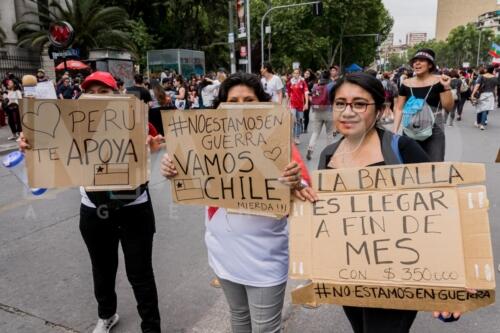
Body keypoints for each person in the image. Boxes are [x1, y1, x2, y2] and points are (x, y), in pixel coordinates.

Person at [161, 72, 316, 333]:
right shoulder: (204, 144)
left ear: (262, 105)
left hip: (264, 258)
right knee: (239, 317)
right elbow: (188, 177)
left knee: (266, 328)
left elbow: (307, 192)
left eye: (248, 99)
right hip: (223, 253)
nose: (240, 106)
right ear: (221, 106)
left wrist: (295, 182)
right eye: (232, 101)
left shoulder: (279, 144)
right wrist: (171, 168)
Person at [319, 71, 468, 333]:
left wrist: (453, 278)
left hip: (397, 277)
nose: (348, 111)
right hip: (349, 275)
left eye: (359, 104)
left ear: (379, 110)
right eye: (340, 103)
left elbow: (442, 211)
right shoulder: (327, 154)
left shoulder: (403, 149)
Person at [19, 71, 162, 333]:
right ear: (82, 97)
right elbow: (47, 149)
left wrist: (154, 145)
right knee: (102, 269)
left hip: (134, 209)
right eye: (91, 93)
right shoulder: (72, 125)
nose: (97, 98)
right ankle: (106, 314)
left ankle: (151, 327)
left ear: (116, 94)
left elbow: (157, 143)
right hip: (94, 211)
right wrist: (29, 144)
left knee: (140, 274)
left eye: (103, 92)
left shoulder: (136, 118)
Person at [393, 49, 454, 162]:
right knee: (410, 165)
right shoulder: (406, 83)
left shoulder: (439, 82)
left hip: (435, 128)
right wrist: (395, 131)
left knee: (435, 164)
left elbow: (448, 107)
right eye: (415, 61)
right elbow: (399, 108)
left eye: (421, 60)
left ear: (430, 64)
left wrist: (446, 87)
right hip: (410, 128)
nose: (417, 63)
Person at [306, 70, 335, 161]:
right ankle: (329, 153)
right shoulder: (332, 85)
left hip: (317, 111)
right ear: (329, 76)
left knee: (315, 132)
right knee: (329, 133)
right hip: (329, 111)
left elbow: (311, 96)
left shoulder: (316, 85)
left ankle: (310, 149)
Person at [286, 68, 309, 144]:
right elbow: (288, 94)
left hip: (300, 104)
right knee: (294, 120)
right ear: (293, 74)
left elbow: (306, 93)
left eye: (297, 73)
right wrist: (286, 104)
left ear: (299, 74)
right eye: (294, 73)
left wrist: (306, 103)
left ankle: (297, 137)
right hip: (292, 104)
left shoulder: (302, 82)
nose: (296, 74)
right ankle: (292, 137)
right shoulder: (290, 83)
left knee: (299, 122)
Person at [471, 65, 497, 130]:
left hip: (482, 94)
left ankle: (478, 122)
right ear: (492, 70)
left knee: (480, 109)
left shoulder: (482, 77)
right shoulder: (494, 78)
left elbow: (477, 86)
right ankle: (482, 125)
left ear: (487, 70)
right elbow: (495, 88)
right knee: (485, 110)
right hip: (490, 95)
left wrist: (473, 94)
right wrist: (495, 96)